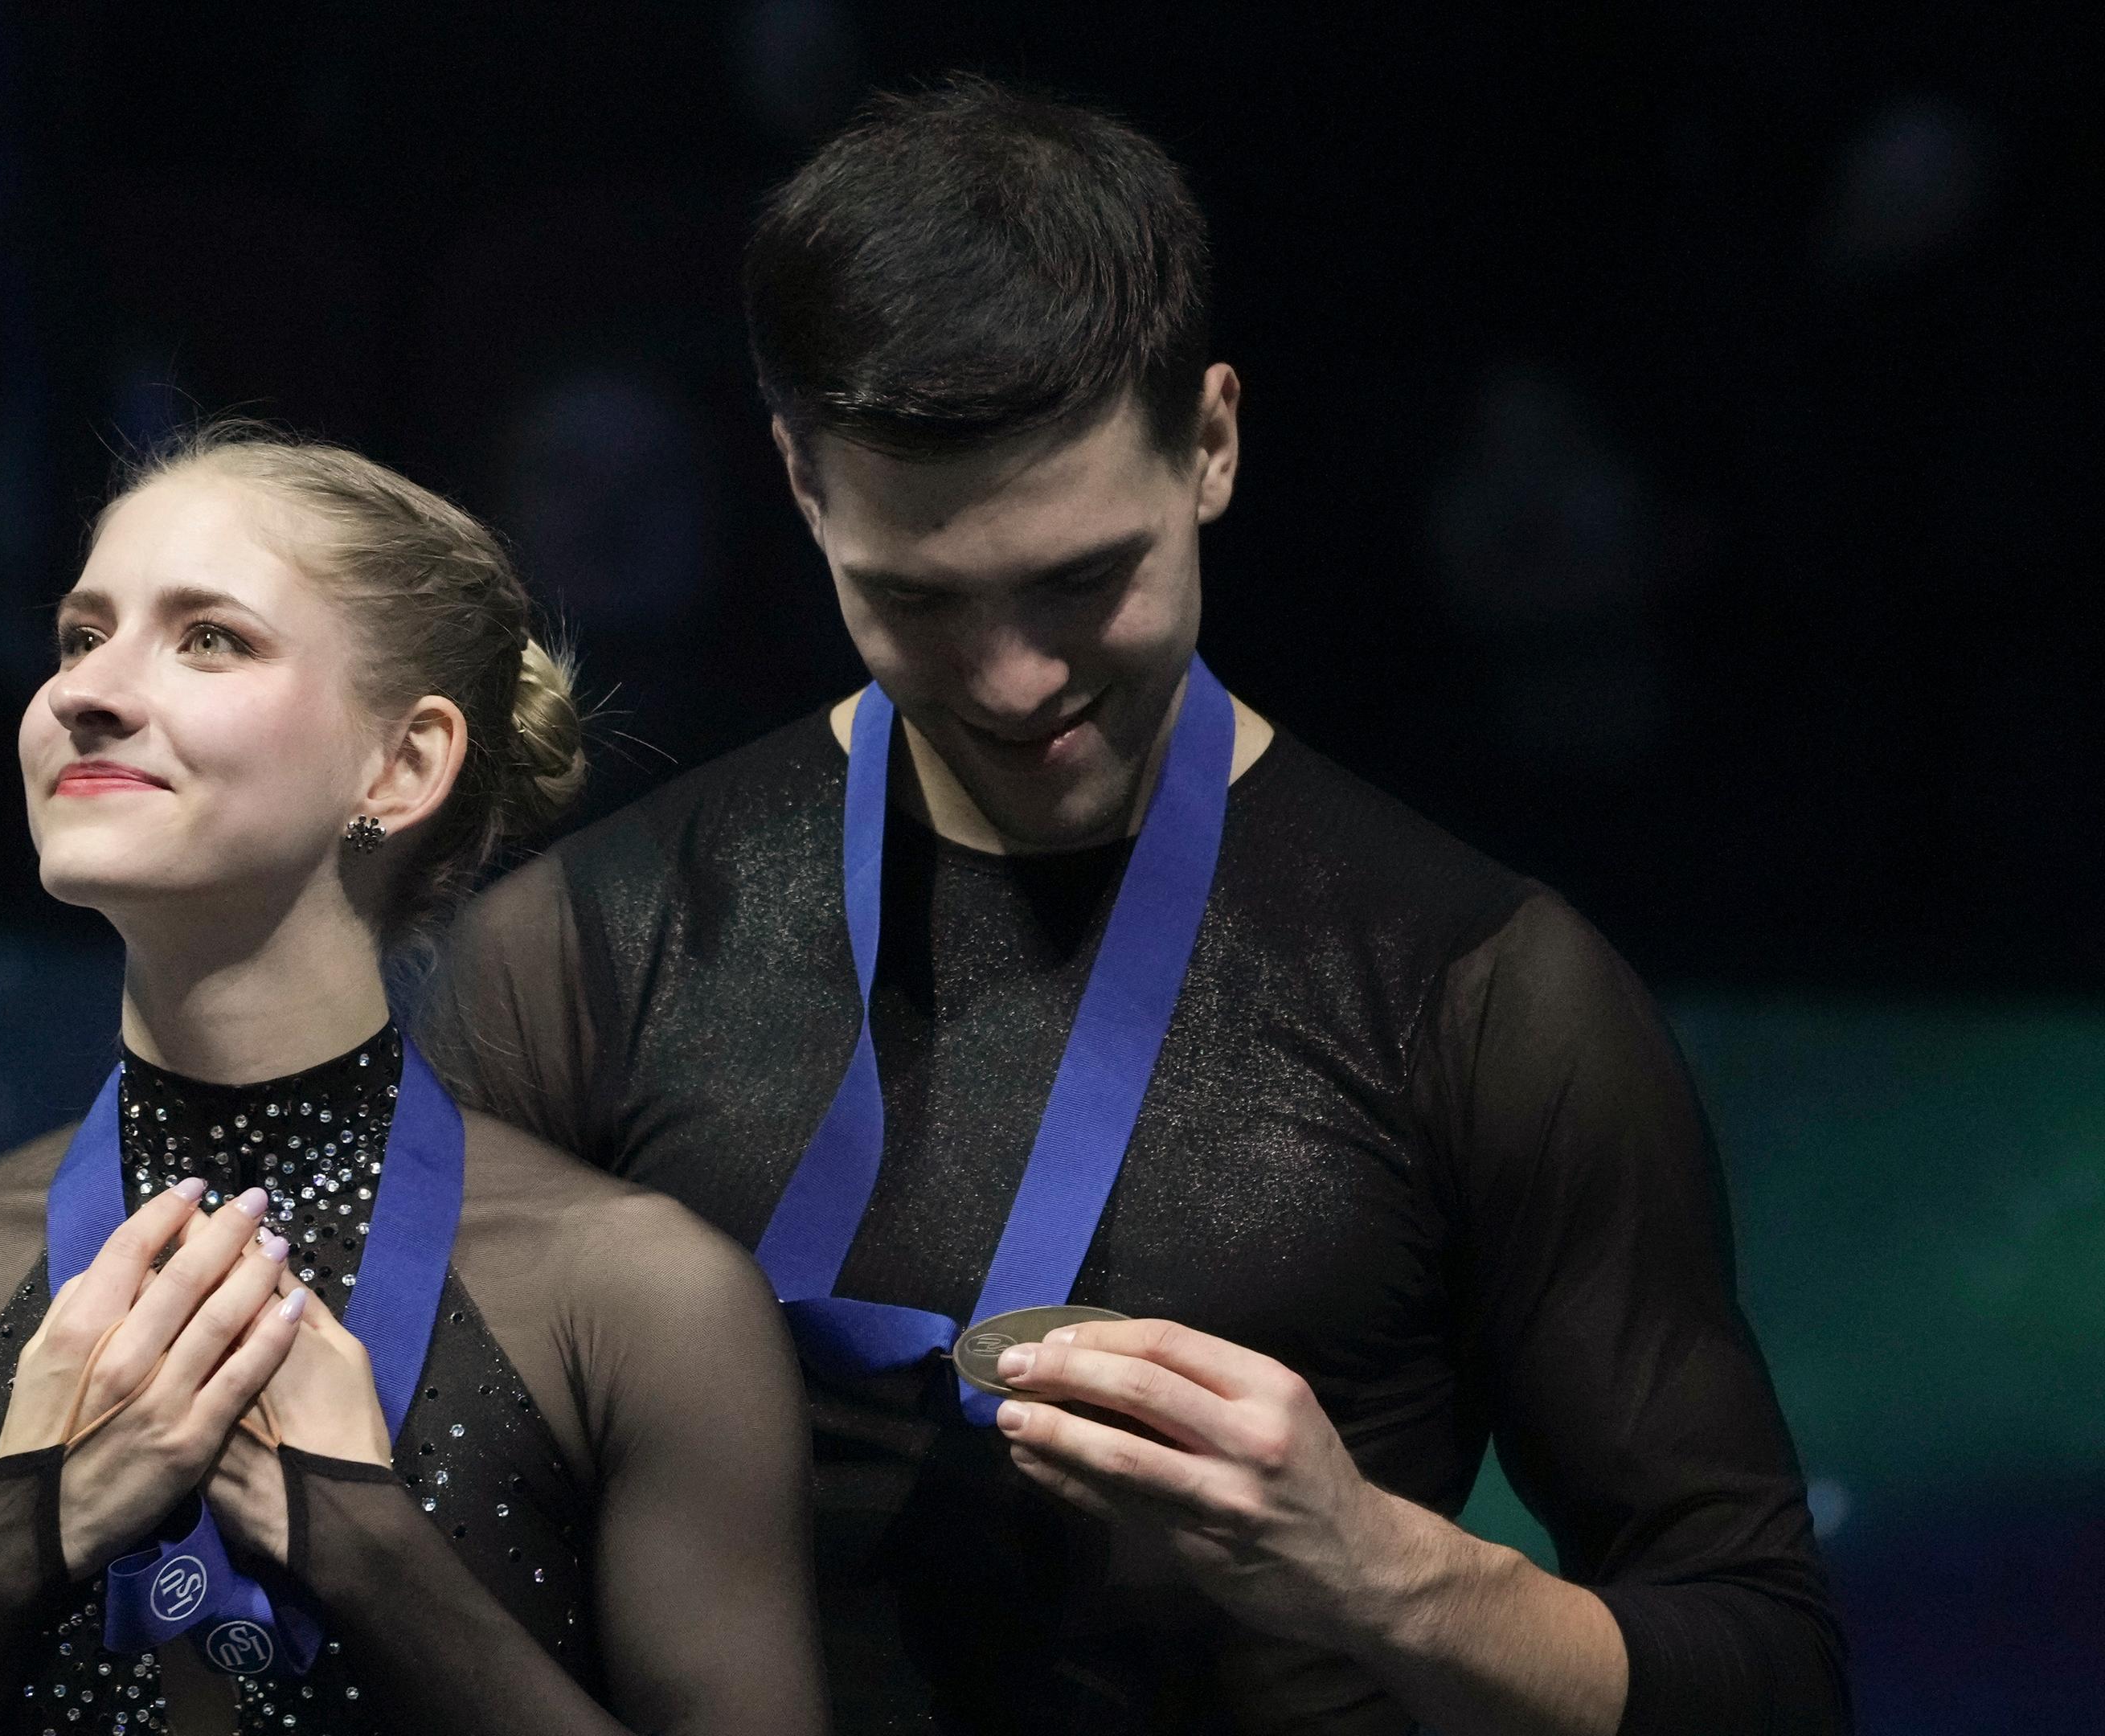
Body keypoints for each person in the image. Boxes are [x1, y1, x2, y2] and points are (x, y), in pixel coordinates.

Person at [421, 78, 1846, 1736]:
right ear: (802, 483)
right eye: (919, 600)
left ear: (1215, 443)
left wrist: (1375, 1566)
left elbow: (1767, 1676)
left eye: (1085, 580)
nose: (1016, 680)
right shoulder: (578, 953)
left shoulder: (1481, 991)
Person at [0, 426, 825, 1735]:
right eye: (80, 636)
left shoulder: (635, 1299)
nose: (87, 692)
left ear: (402, 766)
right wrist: (11, 1541)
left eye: (209, 637)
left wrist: (374, 1557)